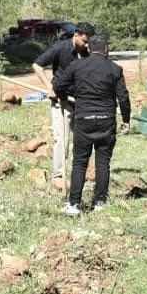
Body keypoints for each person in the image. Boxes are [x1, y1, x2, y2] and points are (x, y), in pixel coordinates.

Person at [53, 34, 130, 215]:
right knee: (103, 163)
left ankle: (73, 205)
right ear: (107, 50)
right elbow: (123, 97)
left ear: (88, 48)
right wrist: (126, 119)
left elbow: (58, 85)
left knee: (80, 163)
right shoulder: (115, 69)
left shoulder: (77, 66)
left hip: (84, 120)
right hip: (106, 121)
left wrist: (68, 95)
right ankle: (99, 202)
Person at [33, 22, 93, 181]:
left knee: (81, 138)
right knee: (62, 138)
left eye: (89, 42)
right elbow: (37, 65)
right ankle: (59, 175)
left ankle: (78, 172)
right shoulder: (60, 48)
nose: (87, 45)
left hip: (80, 101)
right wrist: (49, 88)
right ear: (76, 35)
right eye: (84, 41)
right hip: (62, 101)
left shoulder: (87, 53)